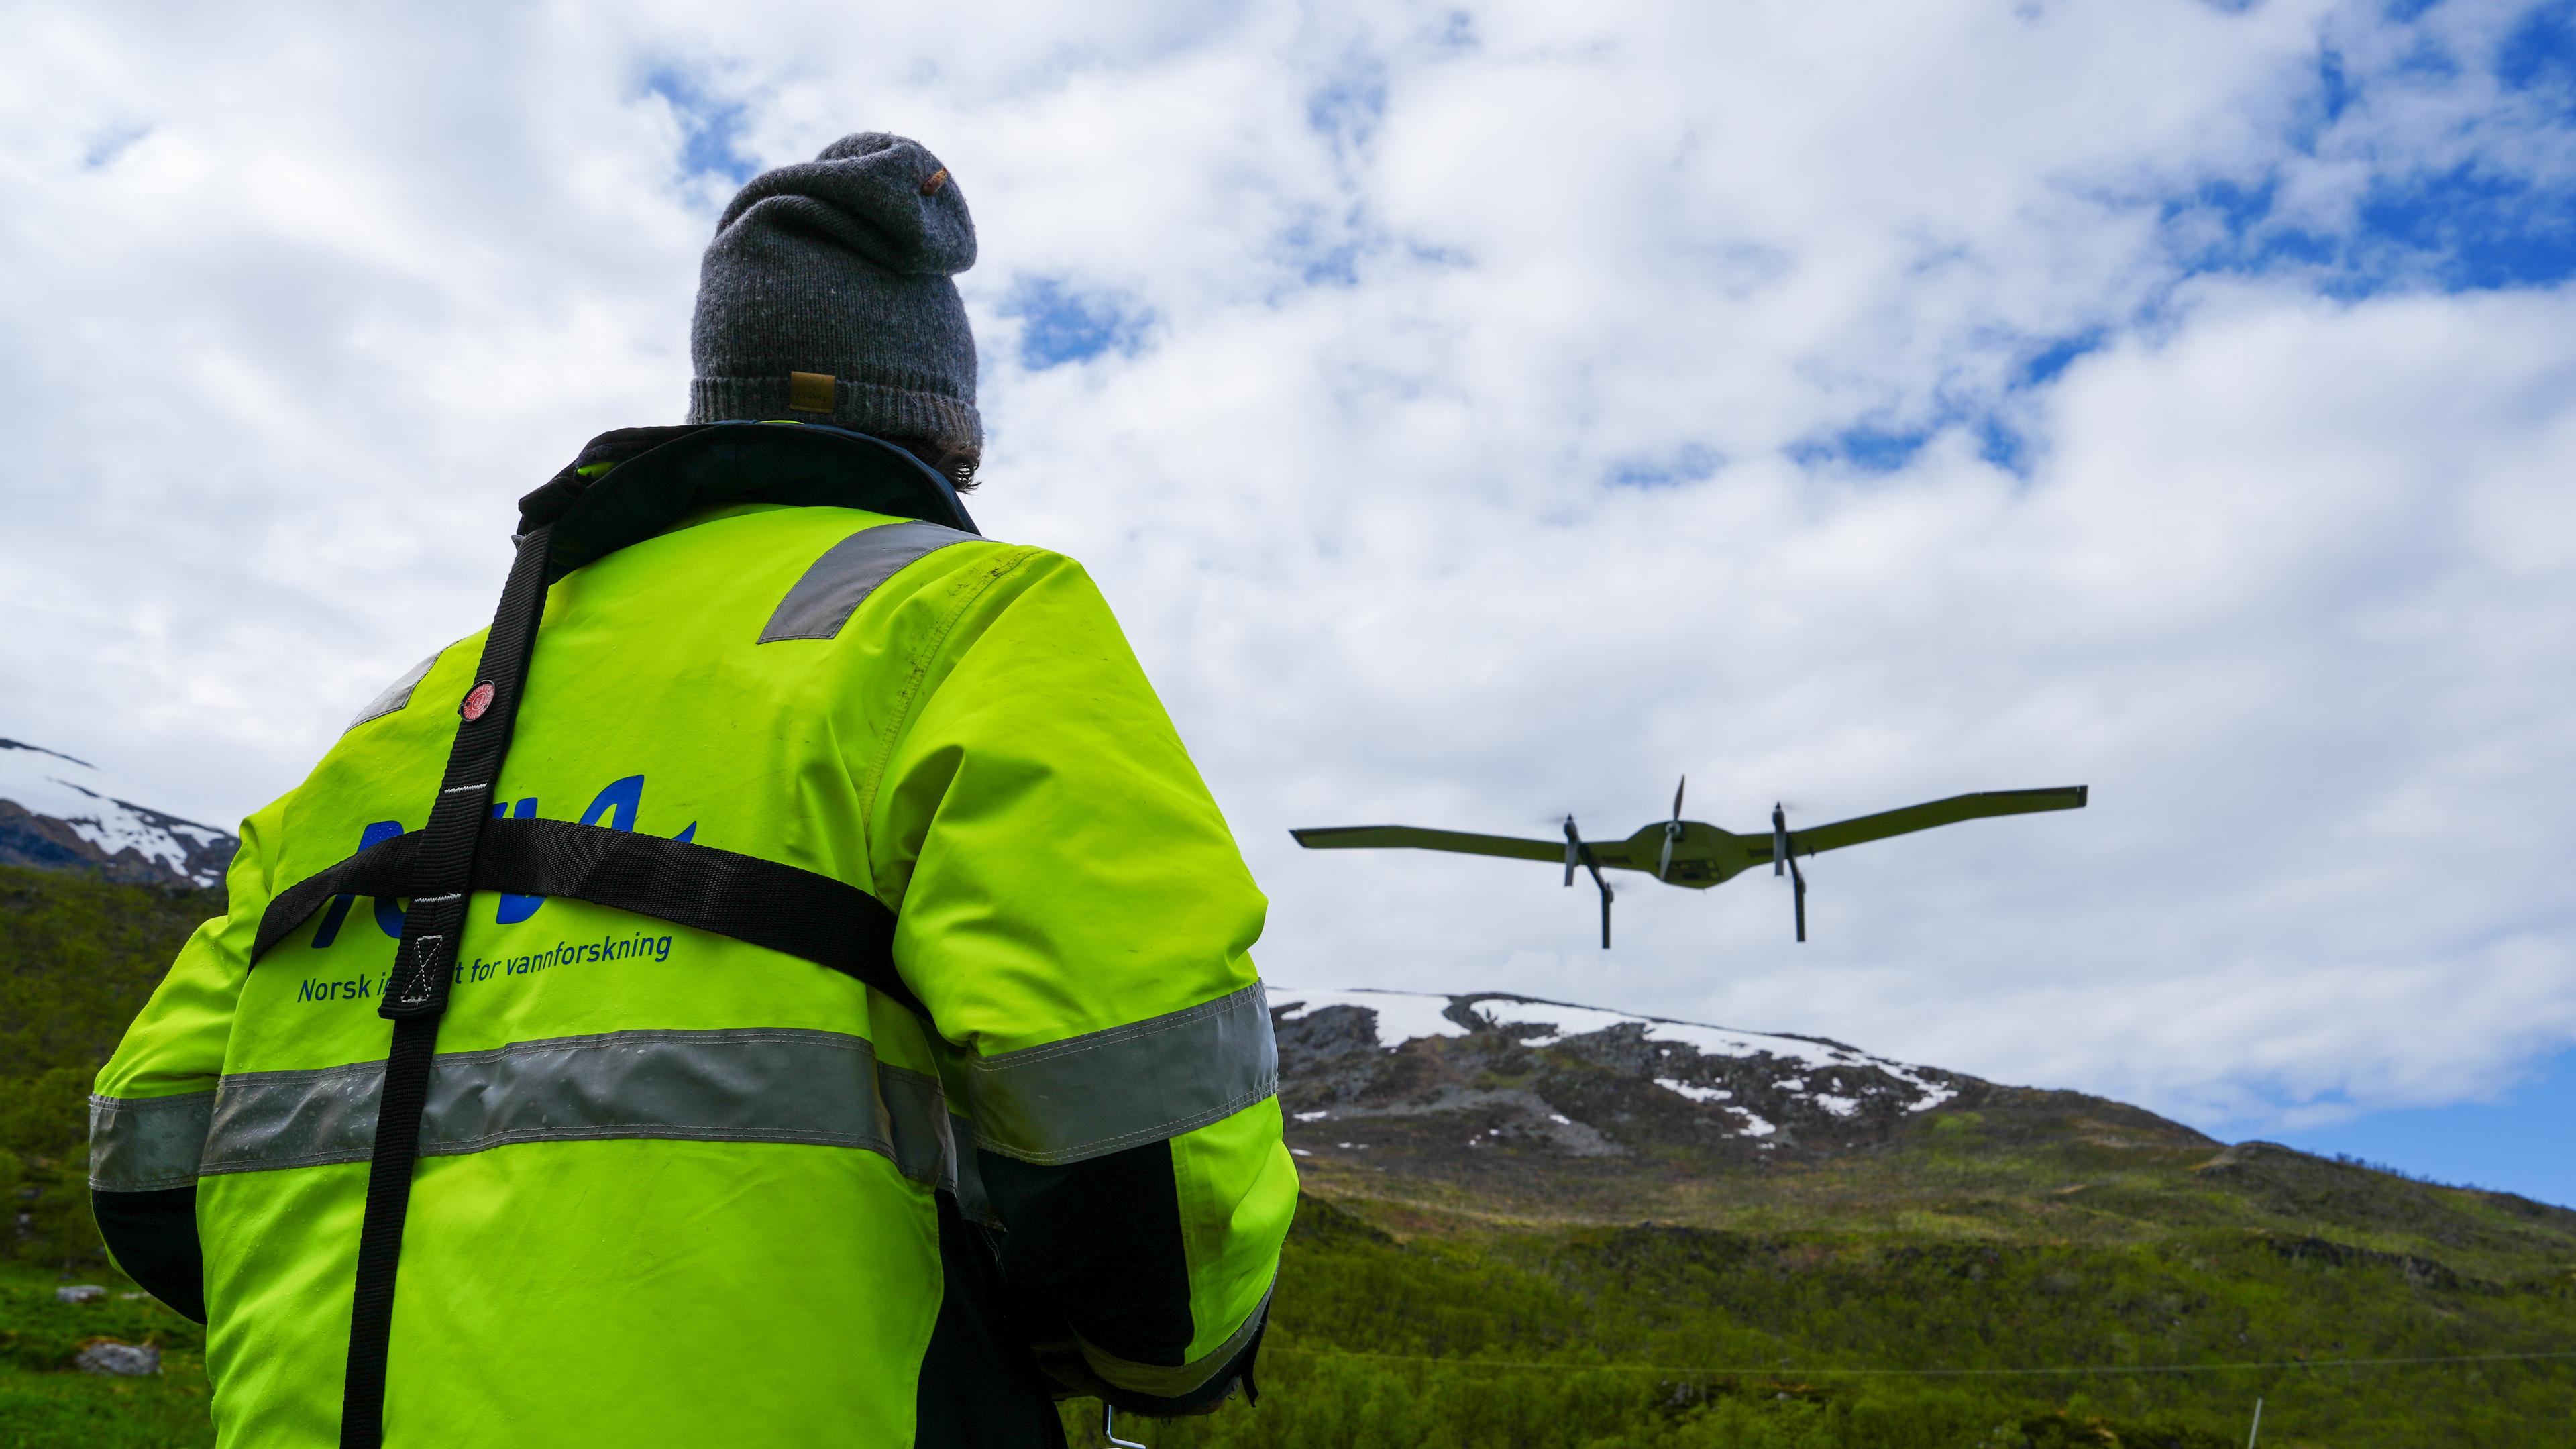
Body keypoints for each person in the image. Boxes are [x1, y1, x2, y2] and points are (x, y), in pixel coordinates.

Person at [87, 132, 1294, 1448]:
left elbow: (149, 1150)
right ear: (947, 438)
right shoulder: (973, 617)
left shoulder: (411, 715)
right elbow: (1145, 1139)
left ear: (716, 400)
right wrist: (1156, 1368)